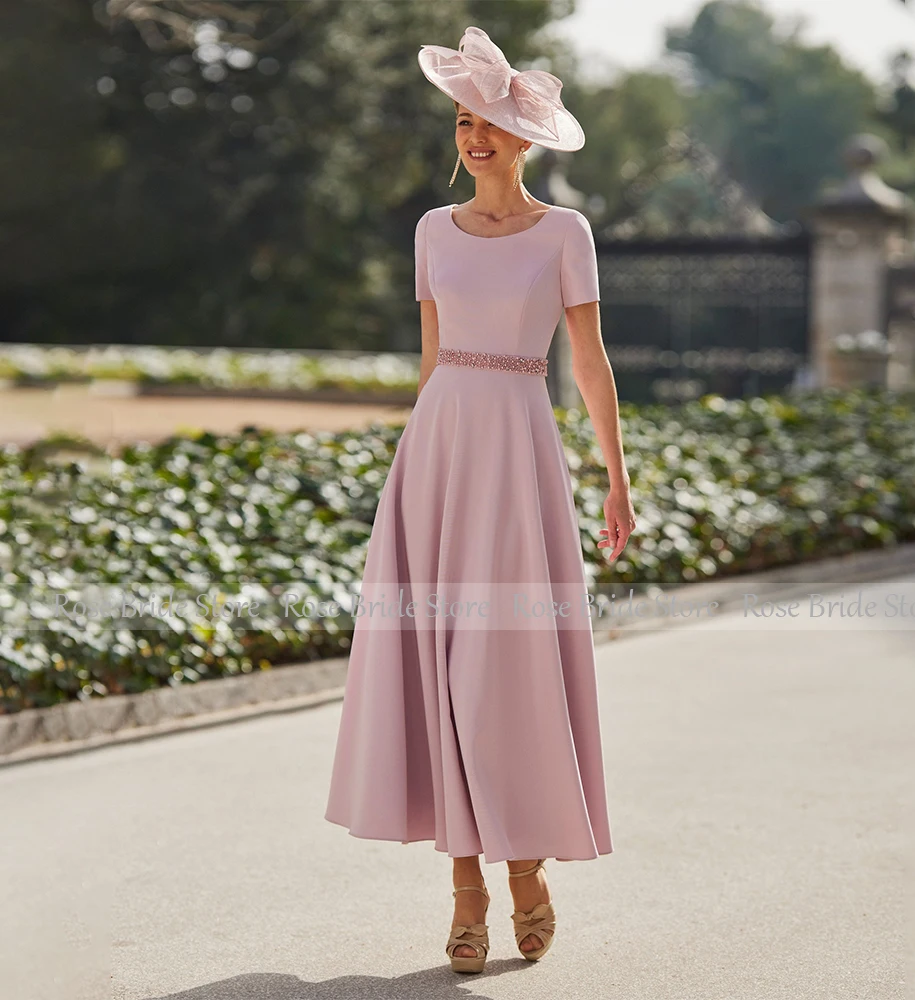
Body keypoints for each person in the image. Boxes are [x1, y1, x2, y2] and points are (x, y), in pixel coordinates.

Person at [324, 25, 636, 974]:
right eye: (465, 121)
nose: (475, 137)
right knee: (436, 669)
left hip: (517, 450)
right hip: (439, 456)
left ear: (526, 137)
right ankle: (464, 893)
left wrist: (618, 478)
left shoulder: (565, 234)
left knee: (503, 671)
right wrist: (410, 473)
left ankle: (527, 873)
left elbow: (586, 362)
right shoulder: (430, 231)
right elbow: (429, 365)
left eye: (492, 122)